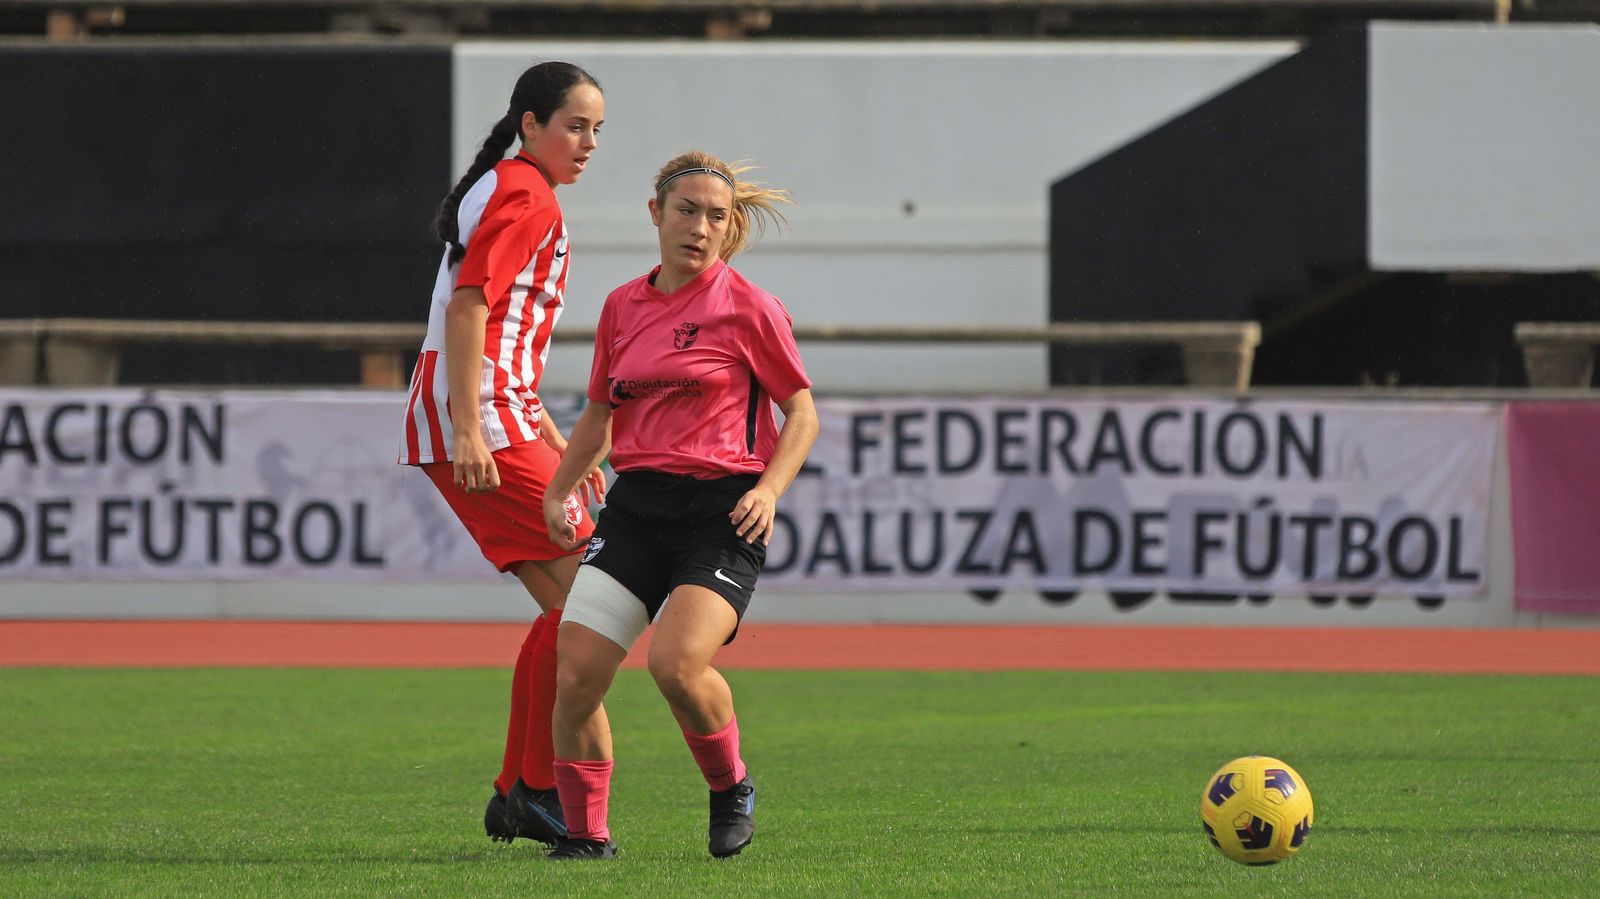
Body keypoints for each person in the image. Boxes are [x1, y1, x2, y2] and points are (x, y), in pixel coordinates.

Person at [537, 150, 819, 860]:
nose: (700, 227)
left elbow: (803, 413)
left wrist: (767, 489)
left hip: (721, 511)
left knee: (676, 665)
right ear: (655, 214)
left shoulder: (749, 306)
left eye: (716, 216)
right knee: (574, 675)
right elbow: (601, 413)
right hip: (636, 508)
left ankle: (731, 785)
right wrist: (561, 485)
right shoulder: (621, 306)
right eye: (687, 210)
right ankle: (585, 836)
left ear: (730, 227)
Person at [397, 60, 609, 847]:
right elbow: (469, 306)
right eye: (574, 125)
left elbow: (495, 325)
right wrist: (467, 426)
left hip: (497, 406)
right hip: (477, 411)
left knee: (578, 607)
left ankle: (521, 787)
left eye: (596, 130)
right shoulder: (526, 190)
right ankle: (530, 783)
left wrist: (536, 418)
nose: (588, 144)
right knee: (596, 599)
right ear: (530, 124)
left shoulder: (508, 180)